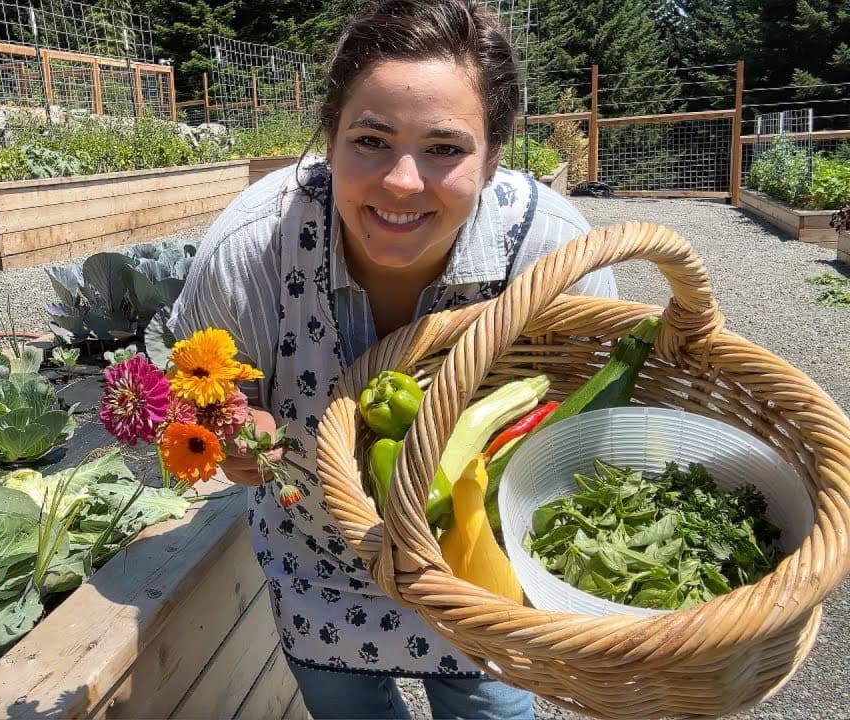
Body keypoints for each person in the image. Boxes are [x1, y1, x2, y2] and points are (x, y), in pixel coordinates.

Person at [169, 0, 616, 717]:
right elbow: (192, 385)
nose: (402, 182)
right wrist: (231, 429)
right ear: (328, 139)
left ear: (494, 155)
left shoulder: (551, 251)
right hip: (317, 561)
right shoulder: (253, 246)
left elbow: (587, 420)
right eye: (371, 139)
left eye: (445, 148)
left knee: (490, 706)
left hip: (475, 574)